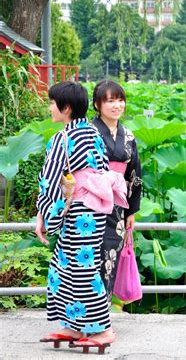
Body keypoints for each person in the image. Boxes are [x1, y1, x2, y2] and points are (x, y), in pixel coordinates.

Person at [35, 81, 127, 353]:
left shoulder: (62, 139)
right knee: (70, 267)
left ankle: (103, 331)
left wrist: (43, 214)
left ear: (65, 108)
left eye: (52, 103)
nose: (49, 107)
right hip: (95, 209)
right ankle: (72, 325)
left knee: (80, 271)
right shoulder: (92, 132)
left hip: (79, 212)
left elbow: (50, 182)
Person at [91, 80, 142, 301]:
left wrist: (131, 211)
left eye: (120, 100)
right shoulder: (88, 133)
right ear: (97, 105)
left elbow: (134, 175)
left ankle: (101, 317)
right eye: (110, 101)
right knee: (90, 261)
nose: (117, 105)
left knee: (111, 259)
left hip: (117, 206)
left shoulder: (128, 136)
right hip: (90, 204)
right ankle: (85, 317)